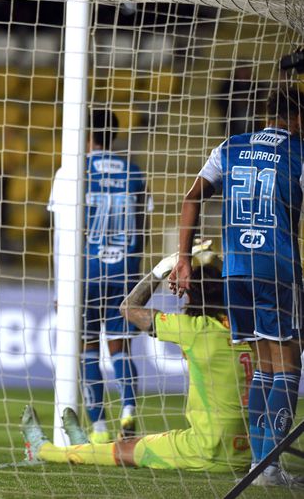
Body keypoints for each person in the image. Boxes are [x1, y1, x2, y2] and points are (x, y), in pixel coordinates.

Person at [169, 83, 304, 486]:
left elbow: (192, 197)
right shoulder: (297, 153)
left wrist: (183, 258)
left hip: (236, 271)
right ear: (299, 117)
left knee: (264, 365)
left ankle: (261, 466)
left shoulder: (229, 146)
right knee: (288, 364)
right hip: (277, 267)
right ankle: (269, 468)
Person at [22, 244, 252, 474]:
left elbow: (128, 307)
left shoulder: (194, 329)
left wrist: (163, 268)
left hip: (207, 449)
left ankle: (42, 450)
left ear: (191, 292)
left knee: (127, 451)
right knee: (133, 444)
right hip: (248, 454)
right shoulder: (251, 331)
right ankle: (83, 445)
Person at [48, 108, 151, 442]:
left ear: (84, 134)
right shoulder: (135, 174)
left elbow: (63, 232)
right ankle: (128, 409)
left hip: (85, 274)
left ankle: (100, 429)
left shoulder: (72, 172)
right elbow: (143, 225)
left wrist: (62, 286)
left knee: (87, 347)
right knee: (120, 346)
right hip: (124, 273)